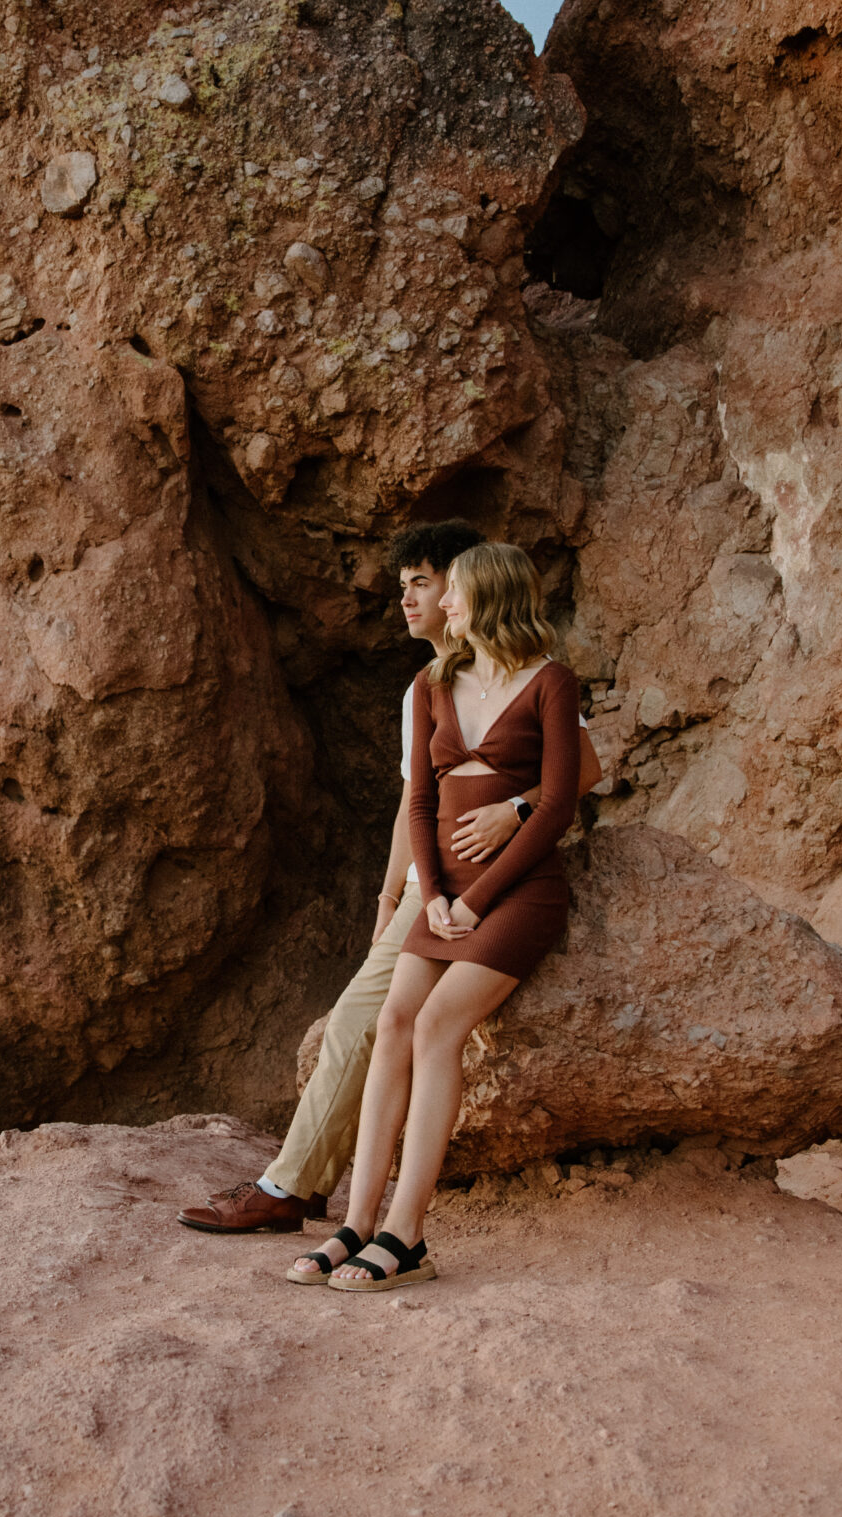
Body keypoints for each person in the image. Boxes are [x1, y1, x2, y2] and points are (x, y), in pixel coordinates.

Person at [177, 523, 599, 1237]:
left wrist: (513, 809)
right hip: (428, 881)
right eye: (403, 583)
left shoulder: (530, 676)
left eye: (425, 583)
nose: (408, 597)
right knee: (375, 1018)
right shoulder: (430, 686)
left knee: (359, 1022)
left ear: (468, 590)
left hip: (488, 879)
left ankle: (302, 1191)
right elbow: (416, 804)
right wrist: (392, 898)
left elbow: (579, 773)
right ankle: (342, 1206)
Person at [310, 541, 581, 1292]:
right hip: (444, 890)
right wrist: (428, 892)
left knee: (437, 1026)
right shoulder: (436, 680)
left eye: (453, 592)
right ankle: (356, 1222)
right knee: (393, 1022)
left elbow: (558, 801)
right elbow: (422, 799)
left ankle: (406, 1231)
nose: (443, 604)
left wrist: (474, 898)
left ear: (488, 598)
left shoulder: (550, 682)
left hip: (518, 889)